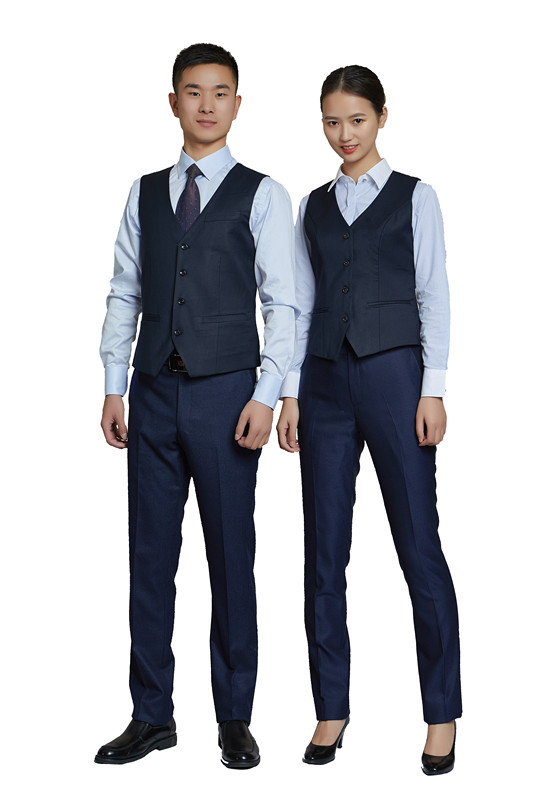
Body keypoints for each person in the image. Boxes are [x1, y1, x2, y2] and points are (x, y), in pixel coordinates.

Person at [96, 42, 296, 769]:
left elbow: (283, 302)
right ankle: (151, 714)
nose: (206, 104)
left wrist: (267, 394)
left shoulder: (262, 193)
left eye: (219, 92)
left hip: (226, 398)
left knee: (230, 558)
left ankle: (234, 717)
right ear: (173, 102)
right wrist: (114, 383)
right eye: (193, 91)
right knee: (149, 559)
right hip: (151, 393)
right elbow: (125, 288)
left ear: (236, 105)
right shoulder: (144, 192)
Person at [276, 65, 461, 774]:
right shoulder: (312, 206)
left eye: (356, 120)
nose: (344, 134)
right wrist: (290, 392)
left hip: (395, 378)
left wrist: (432, 388)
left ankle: (440, 713)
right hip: (323, 384)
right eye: (331, 121)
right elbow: (298, 303)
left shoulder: (417, 196)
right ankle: (331, 708)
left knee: (418, 546)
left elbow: (433, 294)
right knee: (323, 553)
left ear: (382, 117)